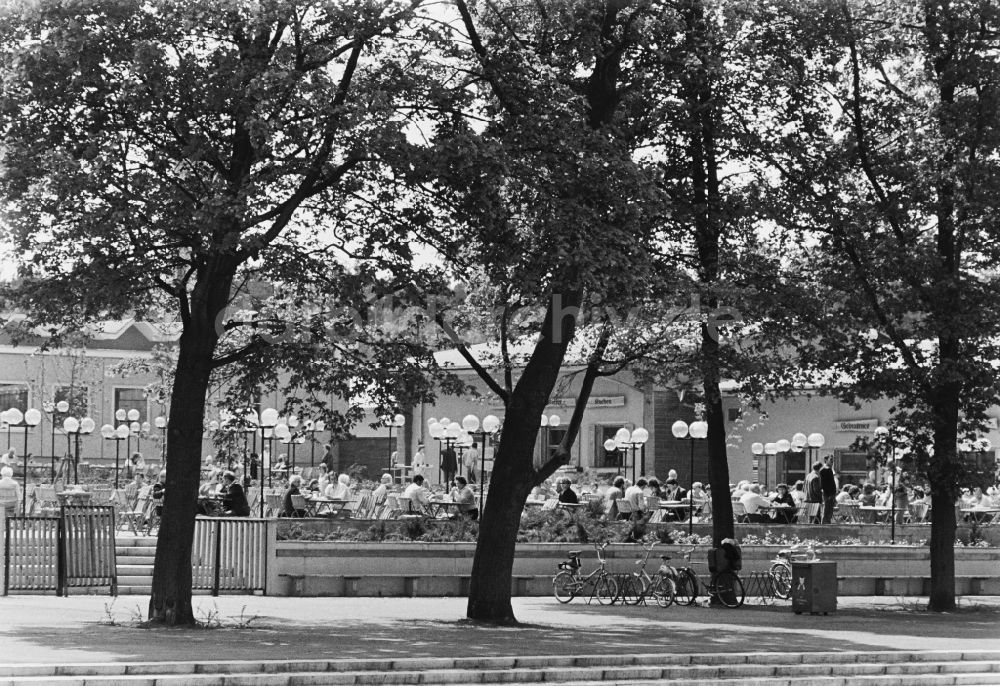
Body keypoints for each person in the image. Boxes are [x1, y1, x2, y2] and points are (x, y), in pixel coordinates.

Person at [819, 456, 837, 524]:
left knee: (828, 511)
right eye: (831, 460)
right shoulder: (826, 469)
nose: (832, 461)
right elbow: (825, 483)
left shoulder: (826, 469)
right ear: (825, 460)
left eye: (833, 460)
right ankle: (825, 525)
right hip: (828, 494)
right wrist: (829, 494)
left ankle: (826, 523)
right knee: (827, 511)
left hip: (828, 494)